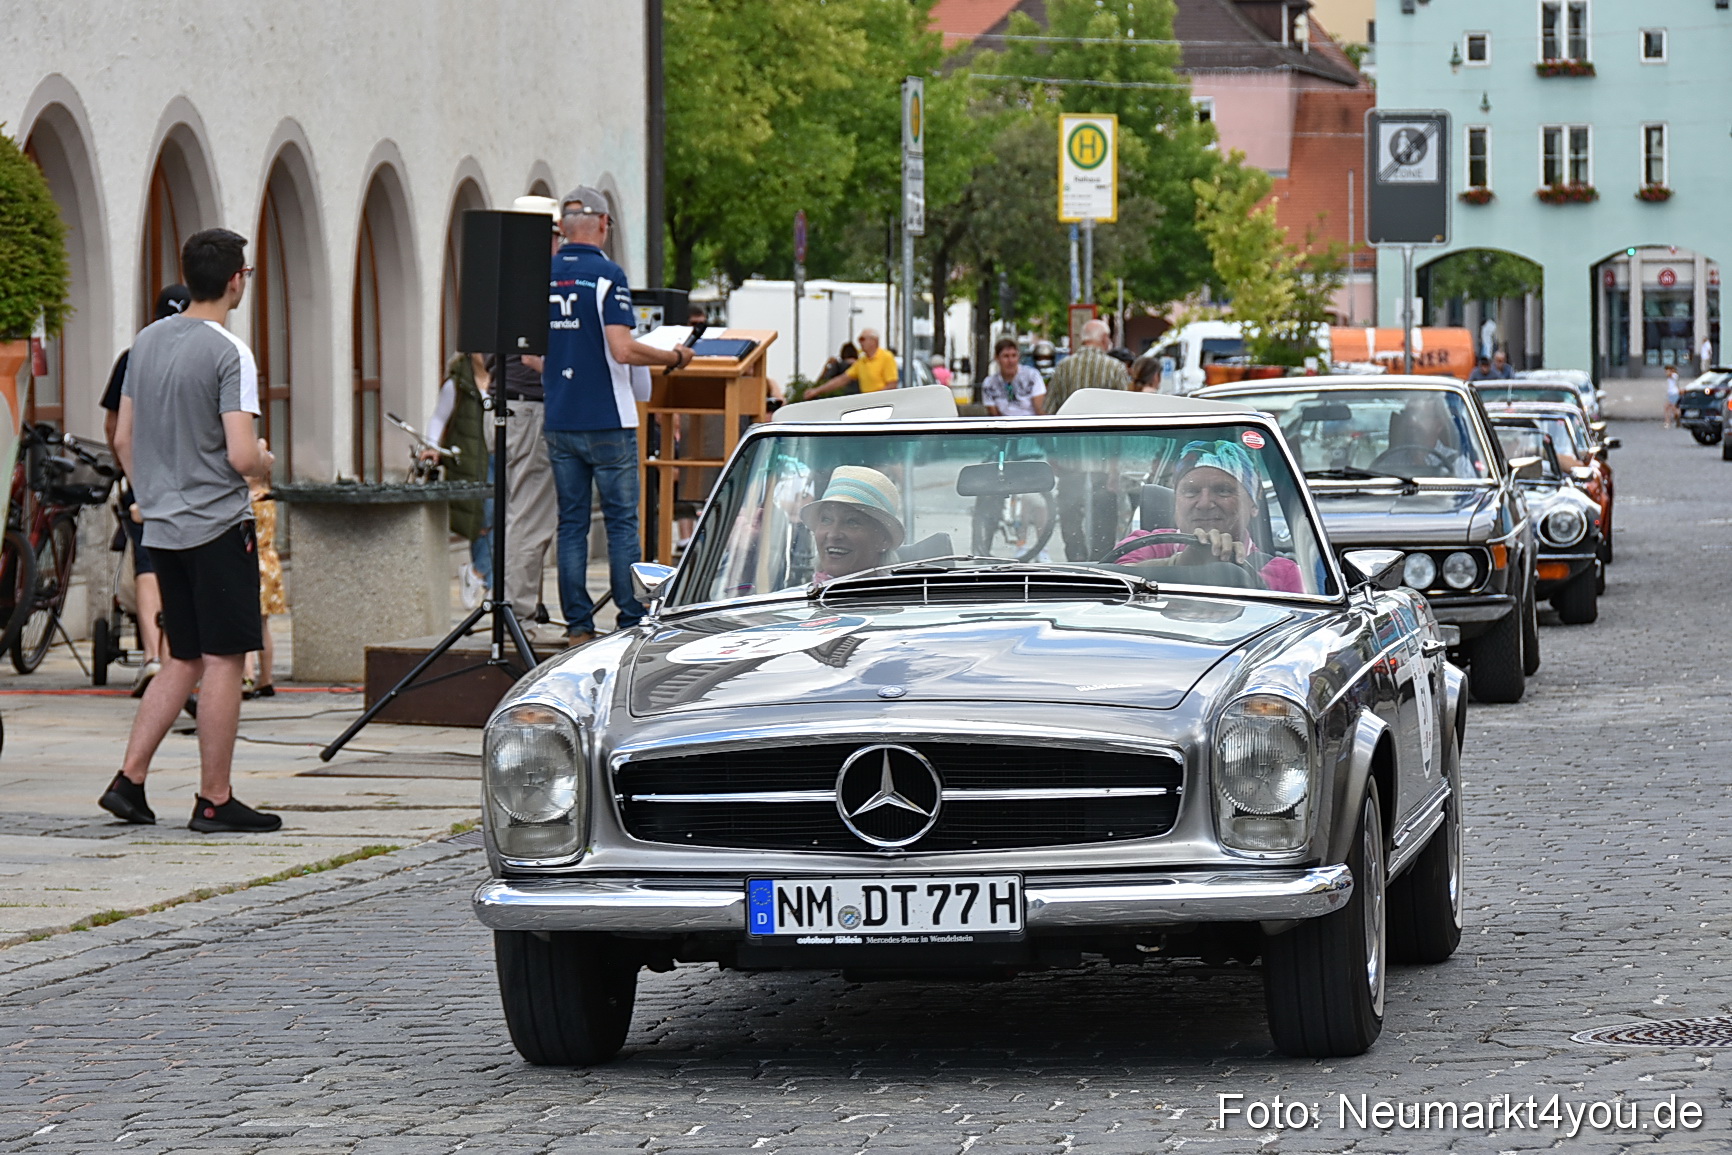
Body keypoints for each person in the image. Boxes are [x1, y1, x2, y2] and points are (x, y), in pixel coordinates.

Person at [98, 228, 281, 834]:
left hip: (163, 526)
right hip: (217, 524)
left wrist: (150, 495)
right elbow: (239, 454)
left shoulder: (146, 341)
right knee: (225, 658)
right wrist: (264, 460)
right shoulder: (231, 351)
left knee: (181, 657)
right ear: (235, 280)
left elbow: (123, 437)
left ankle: (129, 780)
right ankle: (214, 798)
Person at [542, 186, 693, 646]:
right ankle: (629, 619)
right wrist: (672, 357)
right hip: (608, 416)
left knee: (571, 522)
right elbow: (623, 349)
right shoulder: (607, 275)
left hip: (560, 415)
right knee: (622, 521)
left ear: (563, 228)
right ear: (604, 224)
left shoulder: (543, 274)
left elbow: (531, 355)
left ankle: (578, 625)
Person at [100, 284, 192, 697]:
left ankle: (153, 658)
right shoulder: (204, 356)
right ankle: (177, 659)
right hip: (192, 481)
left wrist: (135, 479)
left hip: (146, 481)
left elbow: (115, 430)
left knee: (148, 563)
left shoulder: (134, 358)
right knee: (187, 566)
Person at [1109, 440, 1303, 592]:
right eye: (1191, 491)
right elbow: (1110, 584)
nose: (1204, 504)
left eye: (1223, 490)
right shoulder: (1145, 544)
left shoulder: (1283, 573)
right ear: (1175, 501)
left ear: (1253, 505)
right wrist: (1178, 564)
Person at [423, 352, 493, 607]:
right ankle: (485, 578)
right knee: (483, 518)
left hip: (499, 455)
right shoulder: (457, 383)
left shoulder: (503, 377)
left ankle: (479, 574)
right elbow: (439, 417)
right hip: (469, 459)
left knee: (500, 517)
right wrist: (432, 447)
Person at [800, 466, 904, 581]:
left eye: (851, 522)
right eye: (826, 520)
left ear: (883, 540)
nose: (833, 534)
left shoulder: (904, 592)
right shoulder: (801, 592)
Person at [244, 469, 284, 698]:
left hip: (251, 561)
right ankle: (266, 679)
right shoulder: (269, 496)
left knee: (244, 622)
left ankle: (247, 675)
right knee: (263, 626)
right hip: (269, 561)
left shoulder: (247, 501)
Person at [1042, 319, 1128, 413]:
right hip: (1104, 422)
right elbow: (1124, 406)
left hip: (1070, 421)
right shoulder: (1115, 367)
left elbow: (1049, 408)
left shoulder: (1062, 366)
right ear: (1104, 338)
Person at [809, 328, 897, 398]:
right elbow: (842, 380)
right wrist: (816, 391)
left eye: (862, 339)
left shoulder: (886, 357)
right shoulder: (862, 361)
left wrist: (874, 398)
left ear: (874, 341)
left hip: (882, 403)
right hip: (868, 403)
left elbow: (892, 384)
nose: (860, 343)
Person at [979, 338, 1046, 416]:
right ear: (997, 358)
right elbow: (994, 414)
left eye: (1014, 356)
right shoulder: (989, 384)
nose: (1011, 361)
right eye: (1006, 356)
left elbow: (1040, 409)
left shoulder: (1032, 376)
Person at [1664, 364, 1681, 428]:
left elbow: (1670, 375)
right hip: (1671, 394)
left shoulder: (1675, 375)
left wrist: (1669, 372)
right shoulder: (1671, 376)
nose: (1666, 372)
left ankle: (1678, 418)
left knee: (1674, 409)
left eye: (1667, 370)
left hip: (1674, 394)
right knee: (1667, 407)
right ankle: (1667, 422)